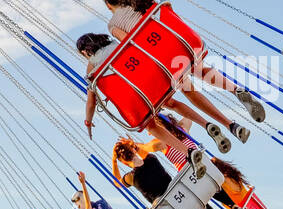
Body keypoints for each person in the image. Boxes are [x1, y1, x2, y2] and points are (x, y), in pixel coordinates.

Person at [101, 0, 266, 136]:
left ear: (108, 5)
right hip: (177, 43)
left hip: (160, 58)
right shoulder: (139, 0)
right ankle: (235, 89)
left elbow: (130, 43)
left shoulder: (113, 24)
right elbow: (168, 12)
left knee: (190, 92)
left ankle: (229, 124)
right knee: (200, 70)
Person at [78, 31, 231, 160]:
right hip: (154, 79)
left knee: (150, 125)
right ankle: (206, 123)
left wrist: (88, 123)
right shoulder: (117, 45)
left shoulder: (92, 68)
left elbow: (91, 103)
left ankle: (187, 151)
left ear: (85, 52)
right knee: (170, 103)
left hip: (139, 95)